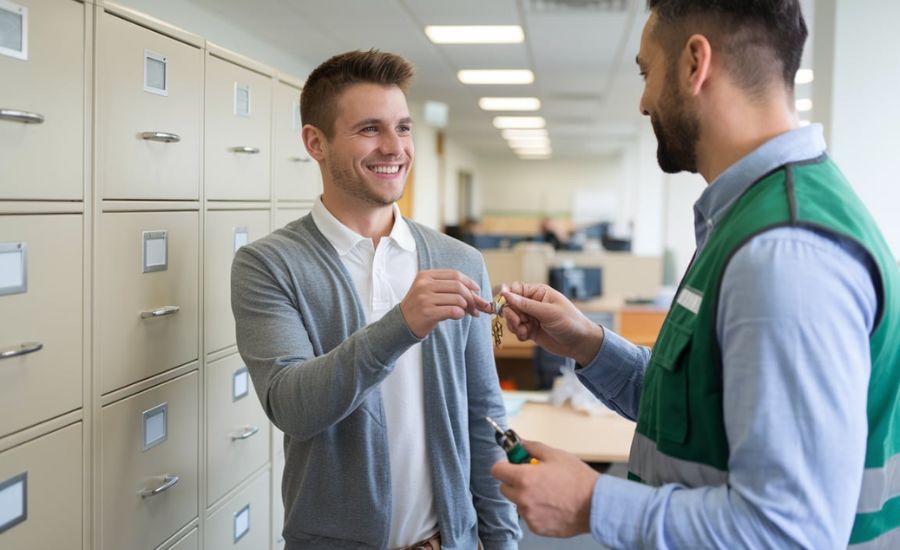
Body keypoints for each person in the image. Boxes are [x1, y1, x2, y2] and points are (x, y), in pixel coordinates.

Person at [491, 1, 900, 548]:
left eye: (646, 71)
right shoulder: (751, 220)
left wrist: (594, 503)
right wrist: (587, 343)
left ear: (694, 63)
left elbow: (787, 530)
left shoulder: (783, 254)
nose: (642, 101)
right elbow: (700, 408)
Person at [231, 49, 520, 549]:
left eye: (403, 128)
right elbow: (292, 407)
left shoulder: (459, 260)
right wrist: (400, 324)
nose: (395, 148)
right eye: (370, 129)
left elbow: (484, 416)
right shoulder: (268, 265)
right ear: (314, 143)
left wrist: (503, 541)